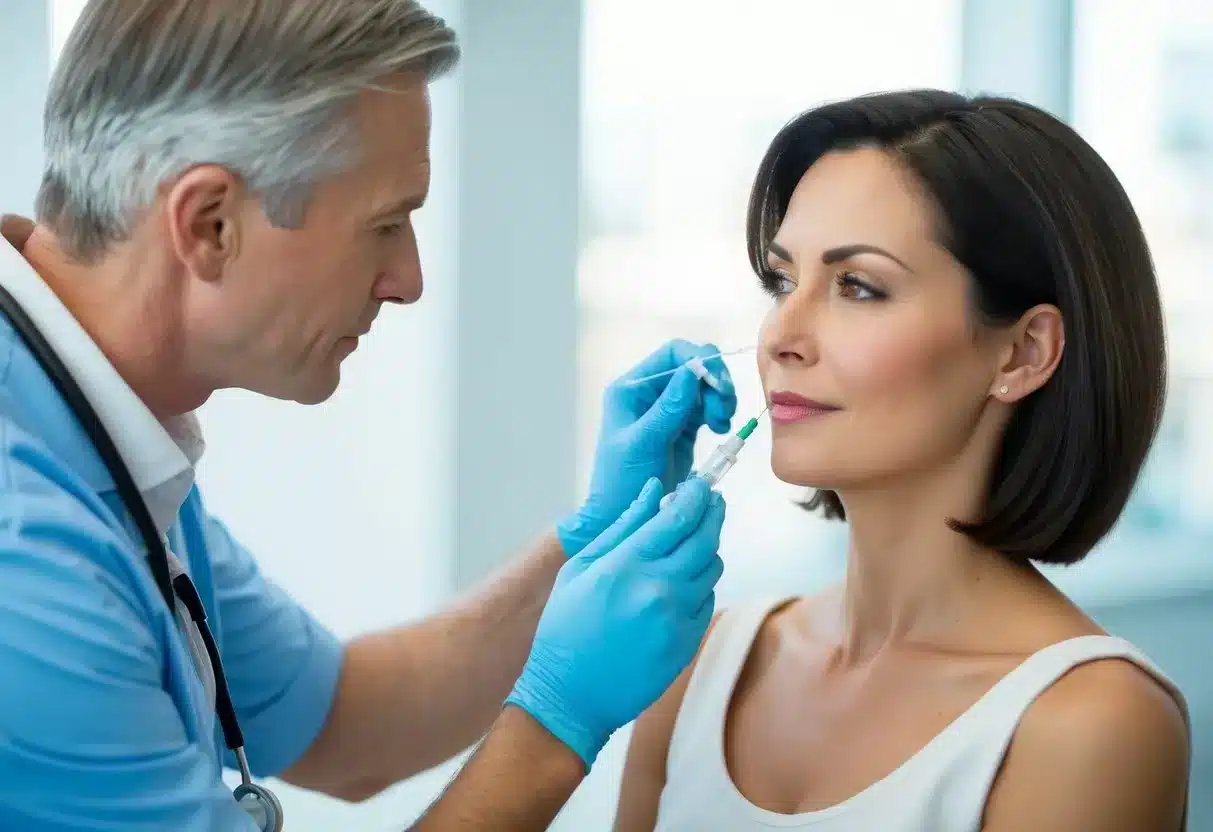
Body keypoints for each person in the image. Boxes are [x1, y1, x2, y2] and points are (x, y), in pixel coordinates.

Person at [0, 2, 739, 830]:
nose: (407, 279)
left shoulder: (91, 426)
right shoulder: (25, 560)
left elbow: (349, 726)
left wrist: (590, 539)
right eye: (386, 224)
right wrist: (559, 721)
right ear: (209, 224)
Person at [613, 90, 1193, 832]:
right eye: (783, 282)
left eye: (858, 286)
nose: (779, 335)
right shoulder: (699, 666)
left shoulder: (1087, 725)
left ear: (1022, 352)